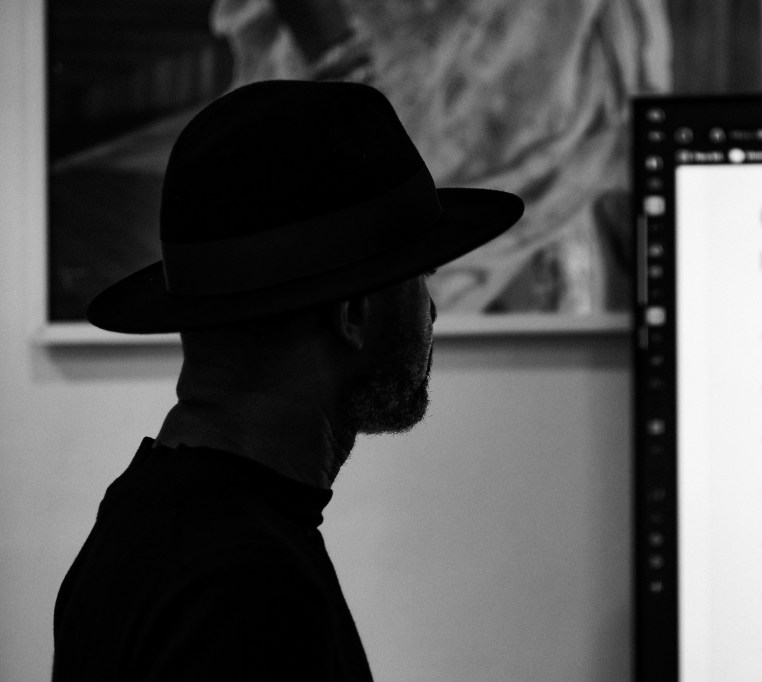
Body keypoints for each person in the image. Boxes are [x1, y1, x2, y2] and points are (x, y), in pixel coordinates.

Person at [51, 81, 524, 681]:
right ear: (354, 314)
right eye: (420, 277)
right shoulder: (251, 593)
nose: (431, 312)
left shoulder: (141, 516)